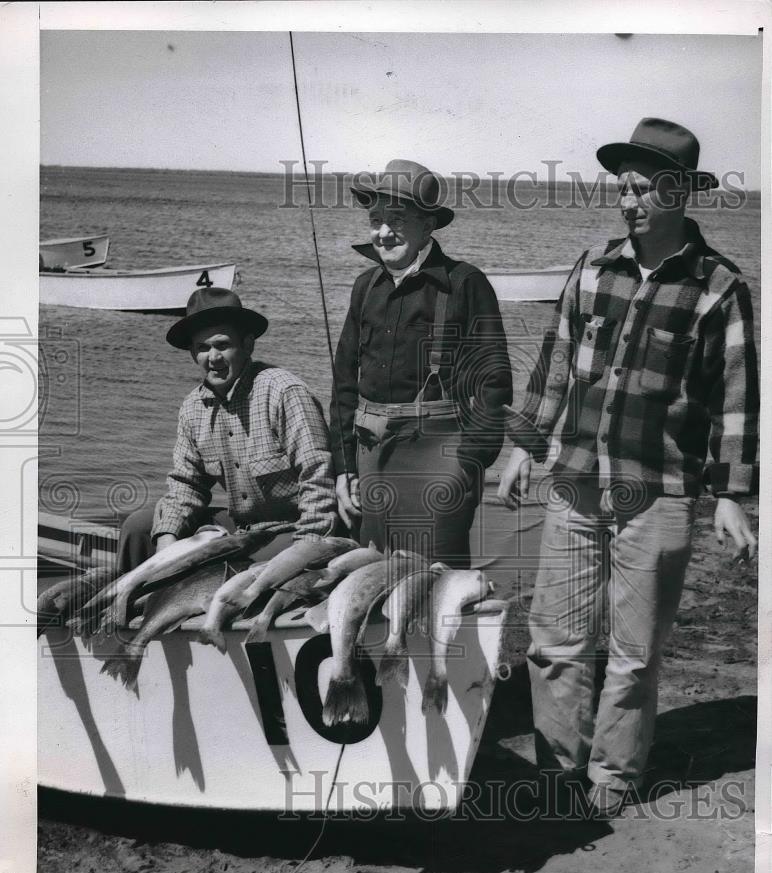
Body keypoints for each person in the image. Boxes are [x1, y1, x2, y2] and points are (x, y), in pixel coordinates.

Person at [497, 118, 759, 817]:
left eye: (644, 190)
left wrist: (731, 495)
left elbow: (735, 397)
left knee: (635, 652)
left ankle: (611, 779)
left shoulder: (719, 286)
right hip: (577, 479)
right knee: (555, 639)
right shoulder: (592, 268)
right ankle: (556, 769)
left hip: (662, 491)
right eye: (624, 188)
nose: (629, 202)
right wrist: (524, 444)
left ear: (679, 196)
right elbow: (554, 366)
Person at [330, 158, 513, 568]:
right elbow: (343, 382)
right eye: (375, 219)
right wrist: (343, 467)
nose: (383, 231)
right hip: (370, 456)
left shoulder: (466, 283)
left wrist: (468, 464)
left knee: (433, 582)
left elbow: (494, 382)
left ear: (427, 225)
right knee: (370, 579)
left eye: (397, 218)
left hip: (440, 459)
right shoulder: (365, 287)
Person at [116, 287, 339, 572]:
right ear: (192, 354)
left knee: (228, 563)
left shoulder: (284, 392)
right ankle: (131, 609)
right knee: (139, 528)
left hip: (289, 531)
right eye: (202, 348)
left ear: (248, 345)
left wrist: (306, 550)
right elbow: (186, 486)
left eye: (222, 345)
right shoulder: (192, 408)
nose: (213, 357)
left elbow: (319, 479)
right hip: (240, 529)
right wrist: (166, 540)